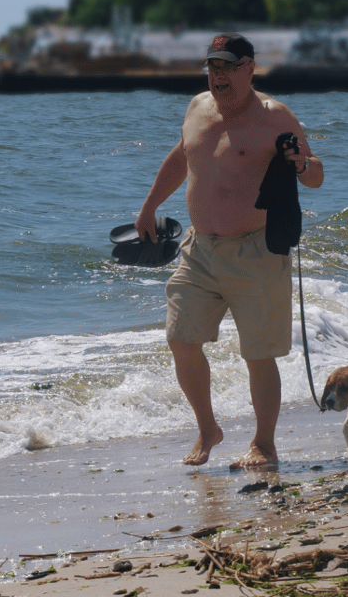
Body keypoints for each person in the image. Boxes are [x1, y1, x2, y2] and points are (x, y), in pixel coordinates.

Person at [134, 32, 324, 468]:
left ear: (249, 69)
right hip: (199, 249)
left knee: (259, 355)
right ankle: (208, 428)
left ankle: (264, 443)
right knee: (181, 339)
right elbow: (184, 155)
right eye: (212, 67)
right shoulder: (198, 107)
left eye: (227, 67)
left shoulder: (275, 117)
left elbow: (314, 175)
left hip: (257, 252)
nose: (218, 76)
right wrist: (149, 206)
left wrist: (300, 164)